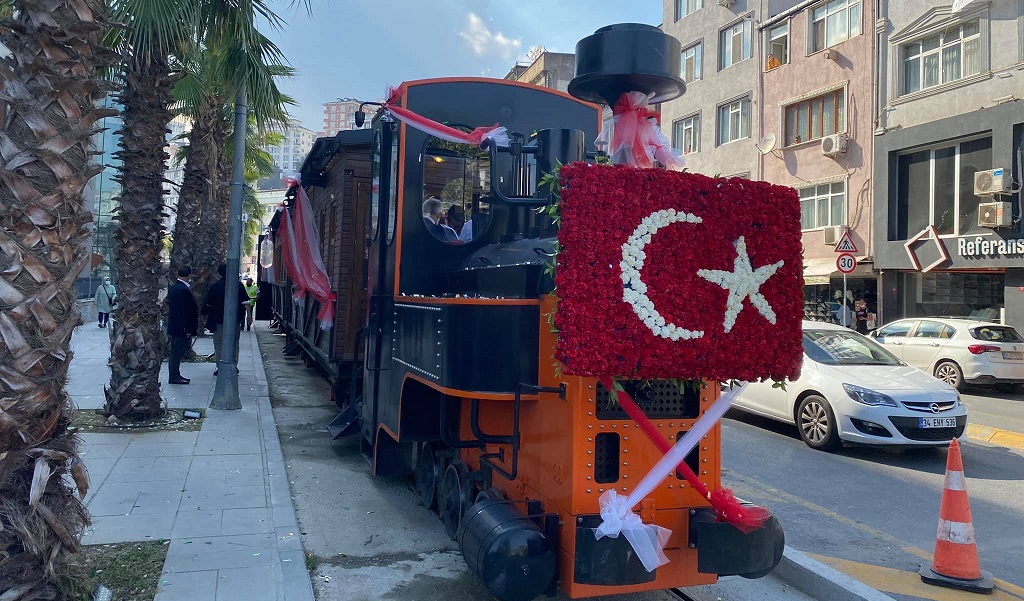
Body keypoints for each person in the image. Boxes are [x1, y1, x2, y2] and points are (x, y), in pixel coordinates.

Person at [203, 264, 247, 374]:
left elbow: (208, 304)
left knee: (219, 344)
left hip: (218, 321)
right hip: (235, 321)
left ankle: (220, 366)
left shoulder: (215, 287)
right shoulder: (238, 286)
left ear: (219, 273)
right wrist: (249, 317)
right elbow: (245, 301)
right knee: (234, 343)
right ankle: (233, 364)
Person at [167, 265, 198, 385]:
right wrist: (187, 328)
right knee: (177, 352)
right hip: (181, 327)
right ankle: (174, 376)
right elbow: (185, 311)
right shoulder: (183, 290)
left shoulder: (175, 287)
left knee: (175, 351)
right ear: (189, 275)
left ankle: (175, 374)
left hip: (176, 326)